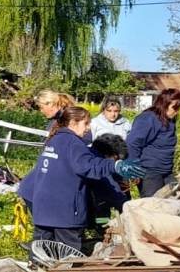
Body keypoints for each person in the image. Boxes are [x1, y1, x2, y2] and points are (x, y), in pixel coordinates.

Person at [26, 106, 144, 251]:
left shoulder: (55, 140)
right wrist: (115, 168)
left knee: (43, 245)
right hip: (61, 207)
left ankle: (38, 267)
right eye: (86, 123)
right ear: (73, 123)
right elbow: (92, 172)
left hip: (41, 202)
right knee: (68, 249)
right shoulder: (76, 146)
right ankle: (69, 271)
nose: (89, 128)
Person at [127, 89, 180, 198]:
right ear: (164, 104)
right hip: (150, 172)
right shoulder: (148, 119)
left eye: (179, 107)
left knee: (178, 198)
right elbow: (132, 143)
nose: (177, 111)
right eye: (175, 107)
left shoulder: (170, 120)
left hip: (166, 170)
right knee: (152, 206)